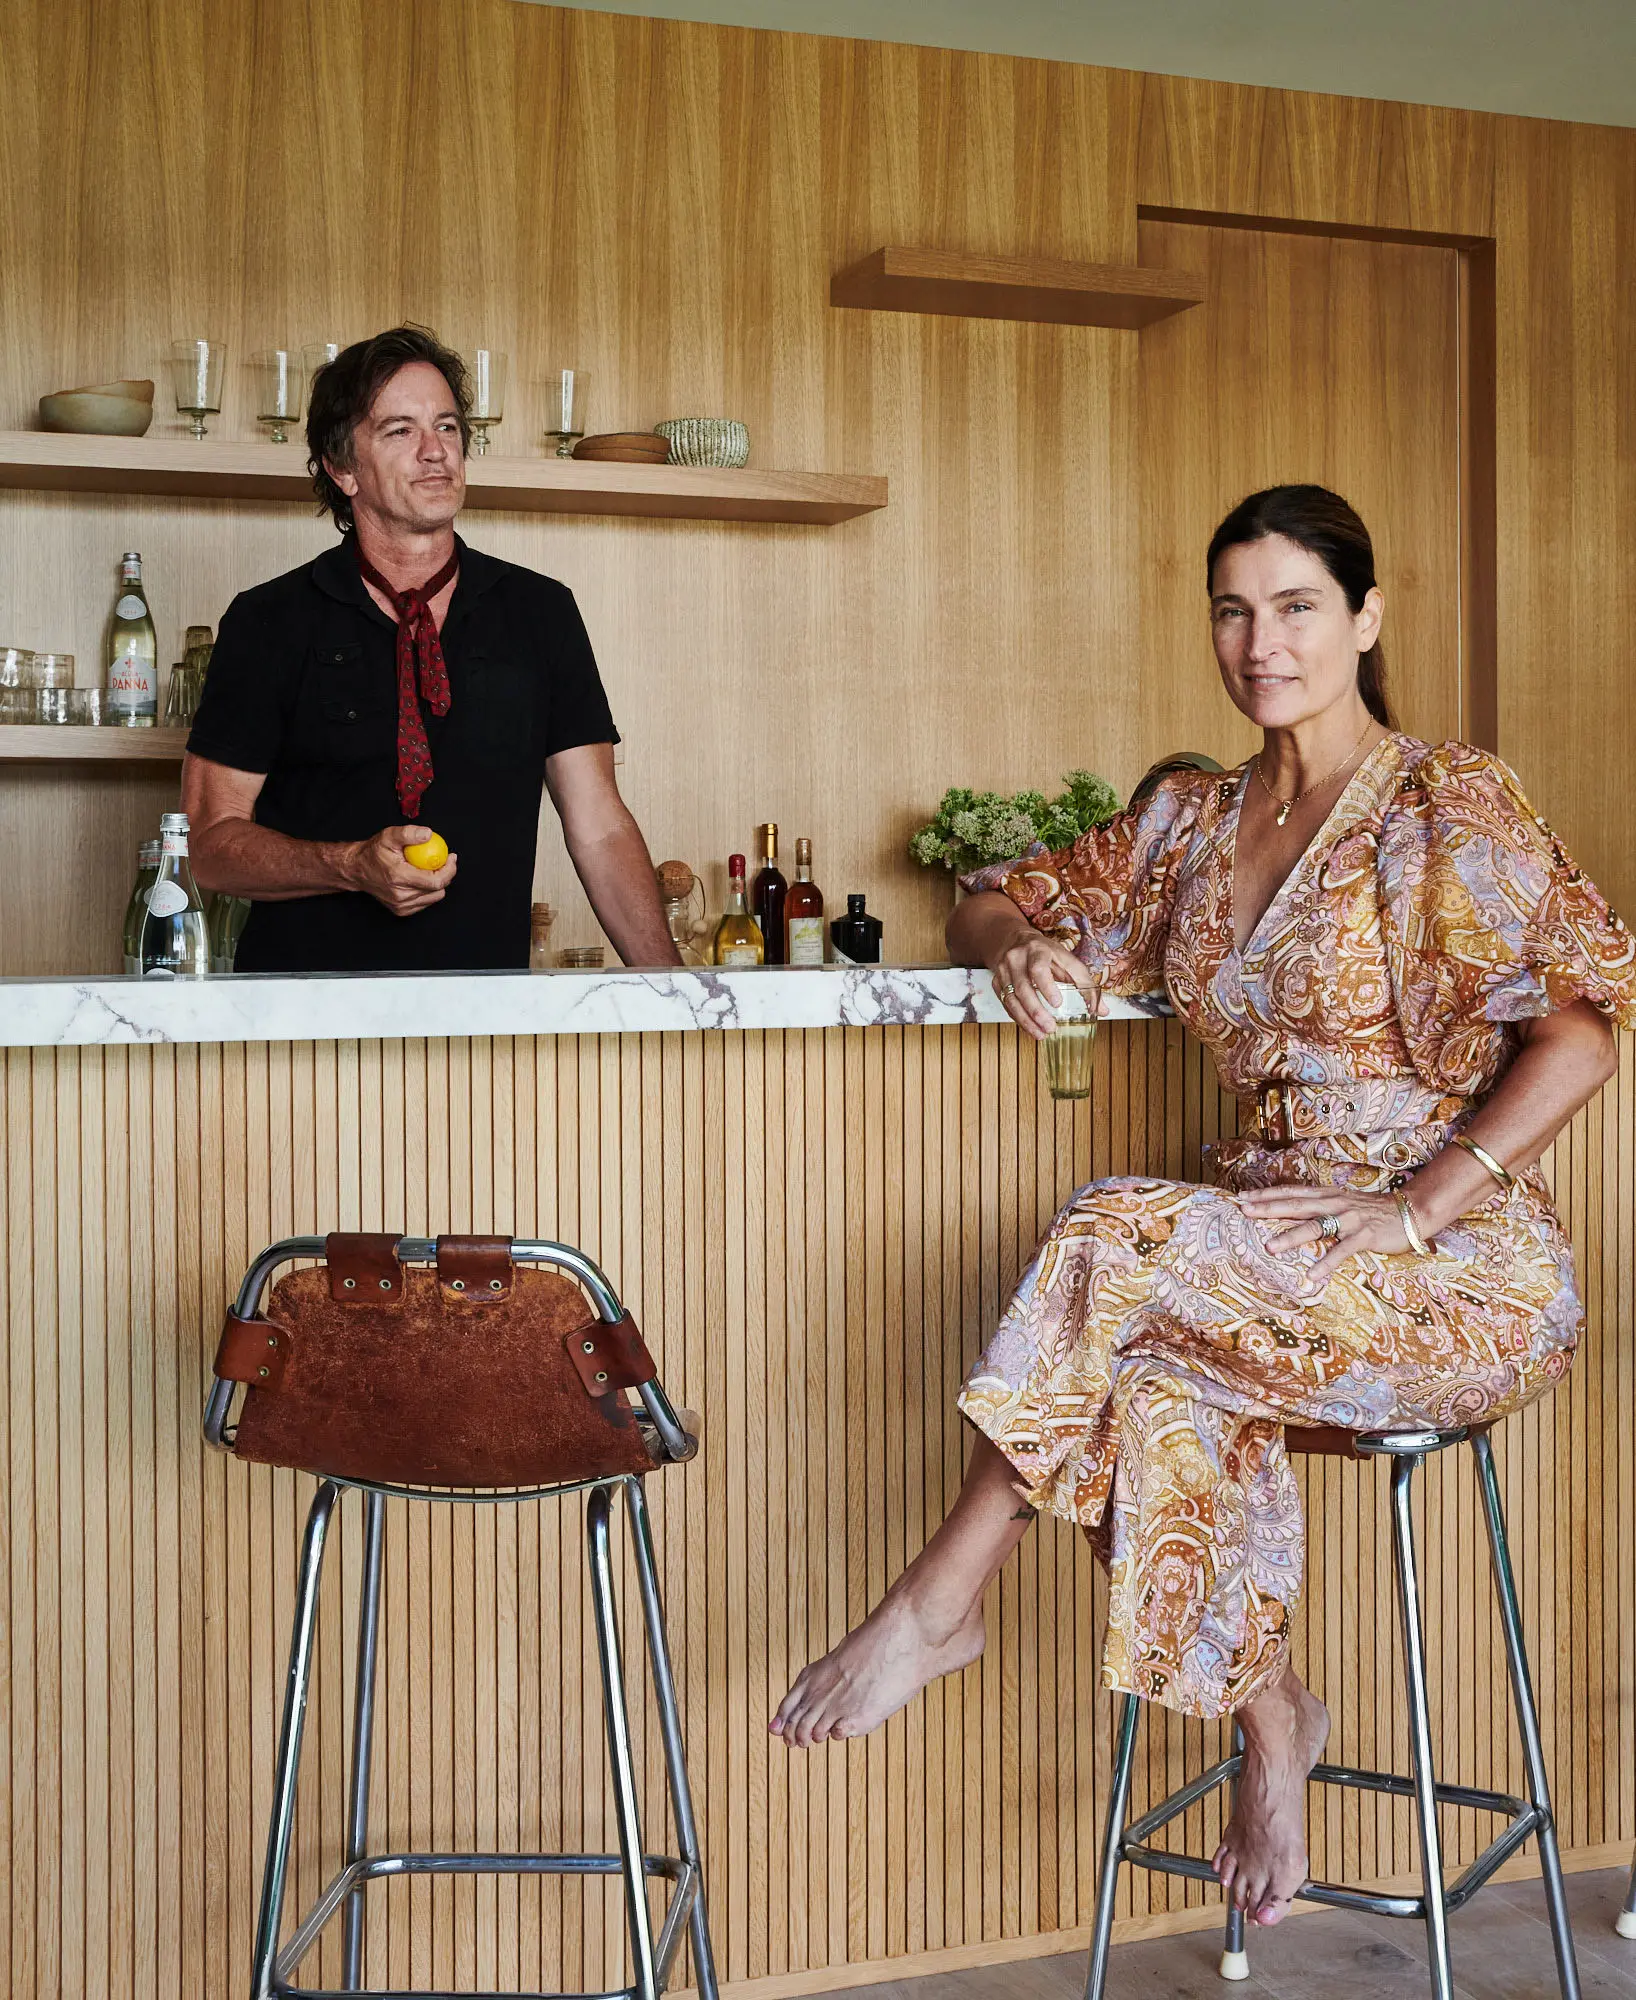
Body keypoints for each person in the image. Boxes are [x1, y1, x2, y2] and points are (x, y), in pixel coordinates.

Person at [772, 483, 1636, 1930]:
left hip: (1455, 1271)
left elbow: (1586, 1030)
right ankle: (1275, 1716)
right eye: (1233, 610)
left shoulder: (1447, 798)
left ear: (1364, 617)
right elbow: (994, 892)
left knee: (1114, 1230)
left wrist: (1420, 1208)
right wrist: (1017, 955)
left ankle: (939, 1602)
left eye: (1297, 606)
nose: (1261, 641)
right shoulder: (1189, 818)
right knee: (1149, 1383)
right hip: (1266, 1248)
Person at [182, 325, 678, 973]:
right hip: (300, 1027)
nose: (434, 451)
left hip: (487, 1023)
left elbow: (600, 826)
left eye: (446, 427)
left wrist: (679, 999)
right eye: (399, 431)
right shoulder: (269, 620)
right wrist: (350, 865)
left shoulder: (539, 612)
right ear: (342, 468)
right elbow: (212, 846)